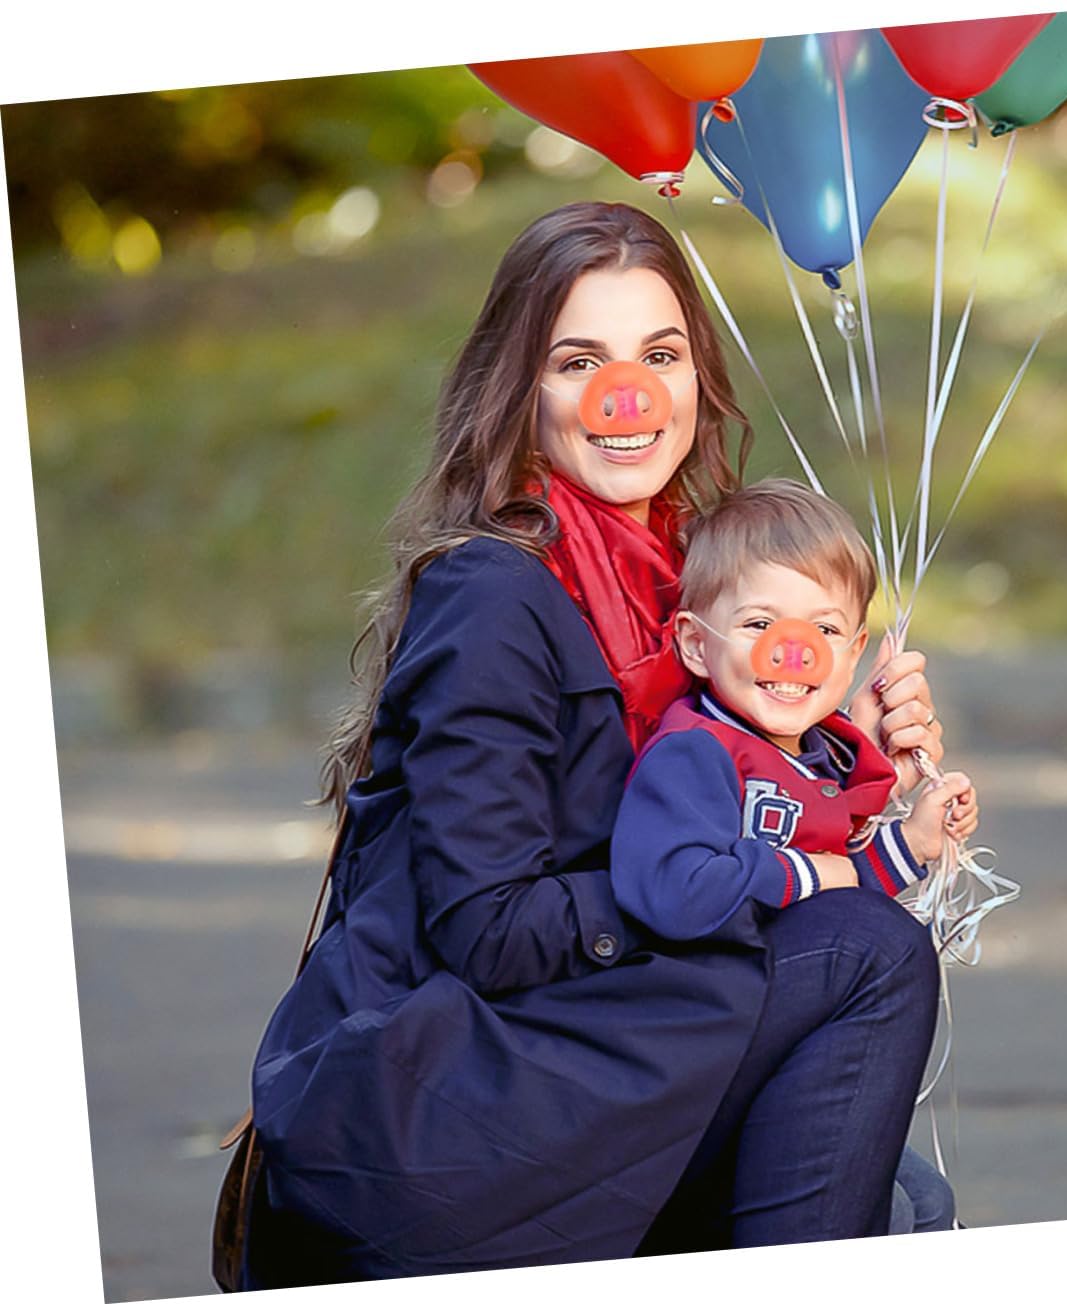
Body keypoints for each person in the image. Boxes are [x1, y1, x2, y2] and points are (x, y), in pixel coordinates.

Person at [240, 201, 951, 1286]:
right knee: (864, 950)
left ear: (696, 378)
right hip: (450, 1102)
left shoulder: (695, 586)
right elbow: (491, 930)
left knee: (896, 1167)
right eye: (579, 362)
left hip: (578, 1040)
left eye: (660, 356)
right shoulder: (495, 596)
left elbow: (724, 800)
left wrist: (836, 754)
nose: (630, 396)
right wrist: (719, 880)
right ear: (520, 392)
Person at [611, 479, 977, 1247]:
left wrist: (913, 842)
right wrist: (809, 874)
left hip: (767, 1025)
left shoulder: (808, 757)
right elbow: (676, 887)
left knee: (925, 1200)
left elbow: (840, 887)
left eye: (825, 628)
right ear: (694, 644)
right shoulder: (696, 753)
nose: (793, 649)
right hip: (690, 1044)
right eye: (758, 623)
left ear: (853, 653)